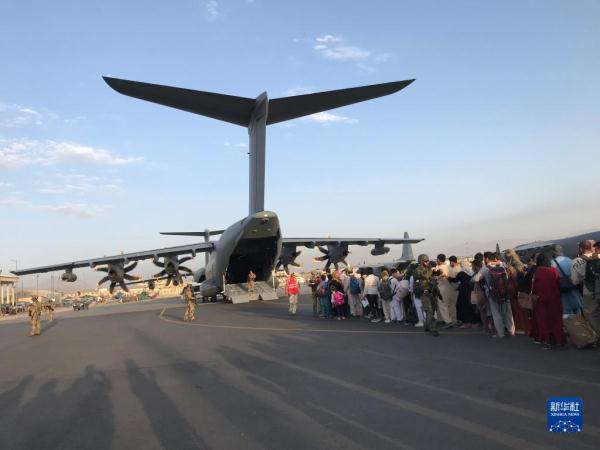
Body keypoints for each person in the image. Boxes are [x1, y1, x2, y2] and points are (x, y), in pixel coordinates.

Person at [473, 252, 515, 338]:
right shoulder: (502, 265)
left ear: (487, 259)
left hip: (493, 294)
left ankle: (501, 333)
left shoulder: (485, 268)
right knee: (508, 312)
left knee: (496, 314)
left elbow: (476, 279)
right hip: (505, 292)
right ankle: (511, 331)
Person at [530, 253, 566, 349]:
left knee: (544, 322)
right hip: (555, 299)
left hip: (541, 300)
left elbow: (534, 287)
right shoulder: (554, 270)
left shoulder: (537, 272)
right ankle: (559, 340)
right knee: (556, 320)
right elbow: (558, 283)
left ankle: (547, 341)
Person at [571, 240, 599, 334]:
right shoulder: (598, 256)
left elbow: (574, 281)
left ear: (581, 249)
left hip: (589, 291)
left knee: (590, 314)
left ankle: (597, 335)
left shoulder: (576, 261)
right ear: (592, 247)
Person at [411, 254, 440, 336]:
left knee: (433, 310)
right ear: (421, 261)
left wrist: (435, 275)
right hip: (424, 293)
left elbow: (432, 280)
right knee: (429, 311)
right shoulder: (417, 270)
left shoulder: (428, 269)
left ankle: (427, 326)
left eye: (428, 261)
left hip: (432, 292)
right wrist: (430, 271)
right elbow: (423, 276)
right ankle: (433, 328)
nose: (427, 262)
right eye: (426, 261)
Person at [505, 248, 531, 334]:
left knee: (517, 308)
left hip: (514, 288)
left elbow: (511, 277)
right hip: (521, 288)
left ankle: (521, 327)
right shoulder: (520, 264)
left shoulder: (510, 267)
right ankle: (527, 326)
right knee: (523, 308)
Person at [550, 244, 582, 315]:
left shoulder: (552, 263)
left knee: (567, 316)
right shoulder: (569, 260)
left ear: (553, 252)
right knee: (578, 312)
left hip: (562, 291)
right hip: (573, 288)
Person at [448, 262, 480, 328]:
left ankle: (467, 323)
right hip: (472, 292)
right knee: (472, 307)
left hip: (463, 293)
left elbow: (455, 280)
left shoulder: (461, 273)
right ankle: (475, 322)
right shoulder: (472, 273)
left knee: (463, 308)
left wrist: (447, 277)